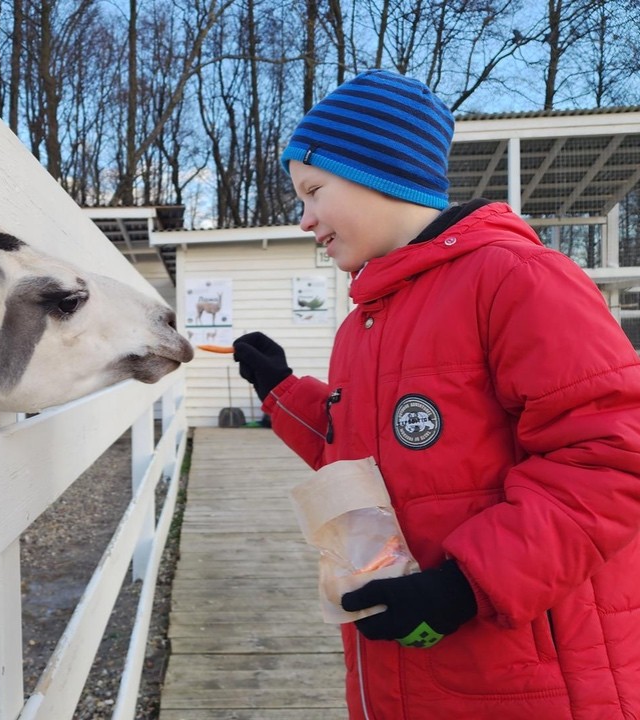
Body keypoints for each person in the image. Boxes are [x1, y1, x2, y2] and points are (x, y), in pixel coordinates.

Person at [233, 69, 640, 719]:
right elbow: (359, 459)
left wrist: (469, 584)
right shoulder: (362, 323)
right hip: (406, 669)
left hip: (519, 673)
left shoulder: (517, 281)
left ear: (376, 173)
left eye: (312, 191)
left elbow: (610, 457)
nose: (304, 218)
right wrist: (280, 389)